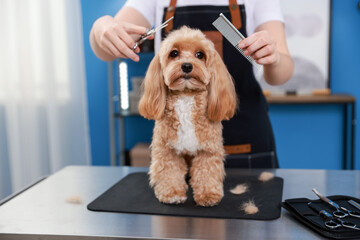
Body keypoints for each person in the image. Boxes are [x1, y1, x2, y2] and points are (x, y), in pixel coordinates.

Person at [90, 0, 294, 168]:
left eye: (199, 55)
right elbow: (107, 51)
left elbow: (281, 75)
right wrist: (101, 28)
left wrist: (274, 58)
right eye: (176, 53)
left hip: (246, 137)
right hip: (175, 148)